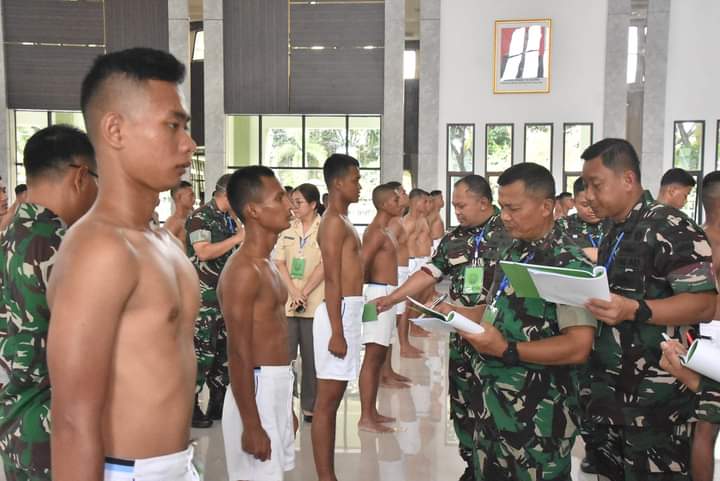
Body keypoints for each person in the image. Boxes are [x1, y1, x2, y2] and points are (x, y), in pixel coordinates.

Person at [47, 47, 201, 481]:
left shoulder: (160, 240)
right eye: (173, 125)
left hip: (175, 464)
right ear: (114, 129)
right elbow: (73, 422)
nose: (188, 143)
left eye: (185, 127)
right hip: (126, 471)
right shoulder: (99, 250)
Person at [434, 163, 596, 480]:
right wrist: (453, 313)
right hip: (493, 406)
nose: (504, 216)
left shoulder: (567, 263)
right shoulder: (514, 250)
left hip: (537, 422)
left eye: (514, 208)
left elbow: (578, 346)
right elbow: (498, 312)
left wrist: (508, 349)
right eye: (503, 206)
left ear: (546, 206)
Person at [582, 138, 716, 481]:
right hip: (610, 397)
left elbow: (704, 303)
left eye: (596, 185)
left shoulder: (671, 226)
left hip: (658, 402)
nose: (590, 195)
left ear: (628, 180)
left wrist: (636, 310)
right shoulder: (615, 228)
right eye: (586, 186)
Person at [374, 175, 510, 481]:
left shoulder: (510, 233)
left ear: (484, 202)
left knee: (499, 408)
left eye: (462, 205)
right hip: (462, 337)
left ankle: (497, 469)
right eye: (455, 205)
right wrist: (393, 297)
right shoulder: (454, 238)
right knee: (463, 406)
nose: (457, 211)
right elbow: (429, 273)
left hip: (497, 336)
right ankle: (472, 466)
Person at [0, 125, 97, 481]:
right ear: (81, 176)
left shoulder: (14, 231)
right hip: (55, 431)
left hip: (17, 421)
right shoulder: (61, 244)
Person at [219, 166, 297, 481]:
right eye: (279, 198)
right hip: (255, 390)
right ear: (253, 210)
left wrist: (286, 403)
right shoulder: (242, 271)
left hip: (275, 386)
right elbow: (237, 353)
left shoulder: (268, 265)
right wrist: (252, 424)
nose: (290, 205)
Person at [311, 154, 363, 481]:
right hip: (337, 314)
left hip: (348, 312)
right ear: (338, 183)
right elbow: (332, 279)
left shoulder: (342, 220)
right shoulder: (331, 222)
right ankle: (326, 477)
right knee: (327, 403)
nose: (360, 186)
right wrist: (337, 331)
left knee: (335, 397)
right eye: (356, 180)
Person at [186, 173, 245, 427]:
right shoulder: (201, 217)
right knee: (202, 354)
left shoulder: (230, 219)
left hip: (226, 297)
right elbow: (204, 251)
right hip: (205, 299)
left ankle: (218, 402)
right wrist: (236, 239)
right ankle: (191, 405)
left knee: (223, 355)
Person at [274, 183, 324, 423]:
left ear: (313, 204)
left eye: (299, 202)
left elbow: (325, 265)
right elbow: (280, 262)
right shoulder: (287, 228)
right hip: (289, 302)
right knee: (285, 357)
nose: (293, 207)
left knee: (312, 358)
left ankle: (310, 406)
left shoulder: (323, 229)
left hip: (314, 302)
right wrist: (293, 291)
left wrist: (303, 291)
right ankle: (284, 404)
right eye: (292, 202)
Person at [358, 184, 404, 433]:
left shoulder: (387, 229)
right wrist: (363, 301)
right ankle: (365, 416)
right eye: (397, 201)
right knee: (373, 356)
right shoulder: (375, 231)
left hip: (386, 293)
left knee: (379, 355)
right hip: (377, 293)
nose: (400, 204)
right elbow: (362, 263)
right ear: (385, 204)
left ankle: (372, 411)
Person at [687, 171, 720, 481]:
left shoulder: (693, 239)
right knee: (704, 432)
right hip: (710, 347)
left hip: (703, 344)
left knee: (703, 432)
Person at [381, 181, 412, 388]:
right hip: (392, 277)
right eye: (400, 192)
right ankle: (384, 373)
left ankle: (389, 369)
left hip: (399, 274)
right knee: (388, 326)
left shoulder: (399, 220)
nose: (405, 194)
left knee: (393, 323)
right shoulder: (392, 223)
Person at [398, 189, 433, 356]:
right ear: (414, 202)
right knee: (409, 300)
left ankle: (416, 325)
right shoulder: (407, 222)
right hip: (412, 262)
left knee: (426, 295)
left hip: (424, 260)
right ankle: (405, 340)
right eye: (424, 202)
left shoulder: (423, 220)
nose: (428, 205)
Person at [563, 177, 605, 264]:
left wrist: (600, 254)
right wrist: (582, 254)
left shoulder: (617, 224)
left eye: (598, 203)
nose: (592, 209)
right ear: (573, 202)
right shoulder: (562, 226)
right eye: (585, 205)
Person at [164, 180, 195, 250]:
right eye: (191, 195)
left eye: (194, 195)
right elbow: (164, 250)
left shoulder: (192, 218)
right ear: (179, 197)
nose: (194, 198)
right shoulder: (173, 223)